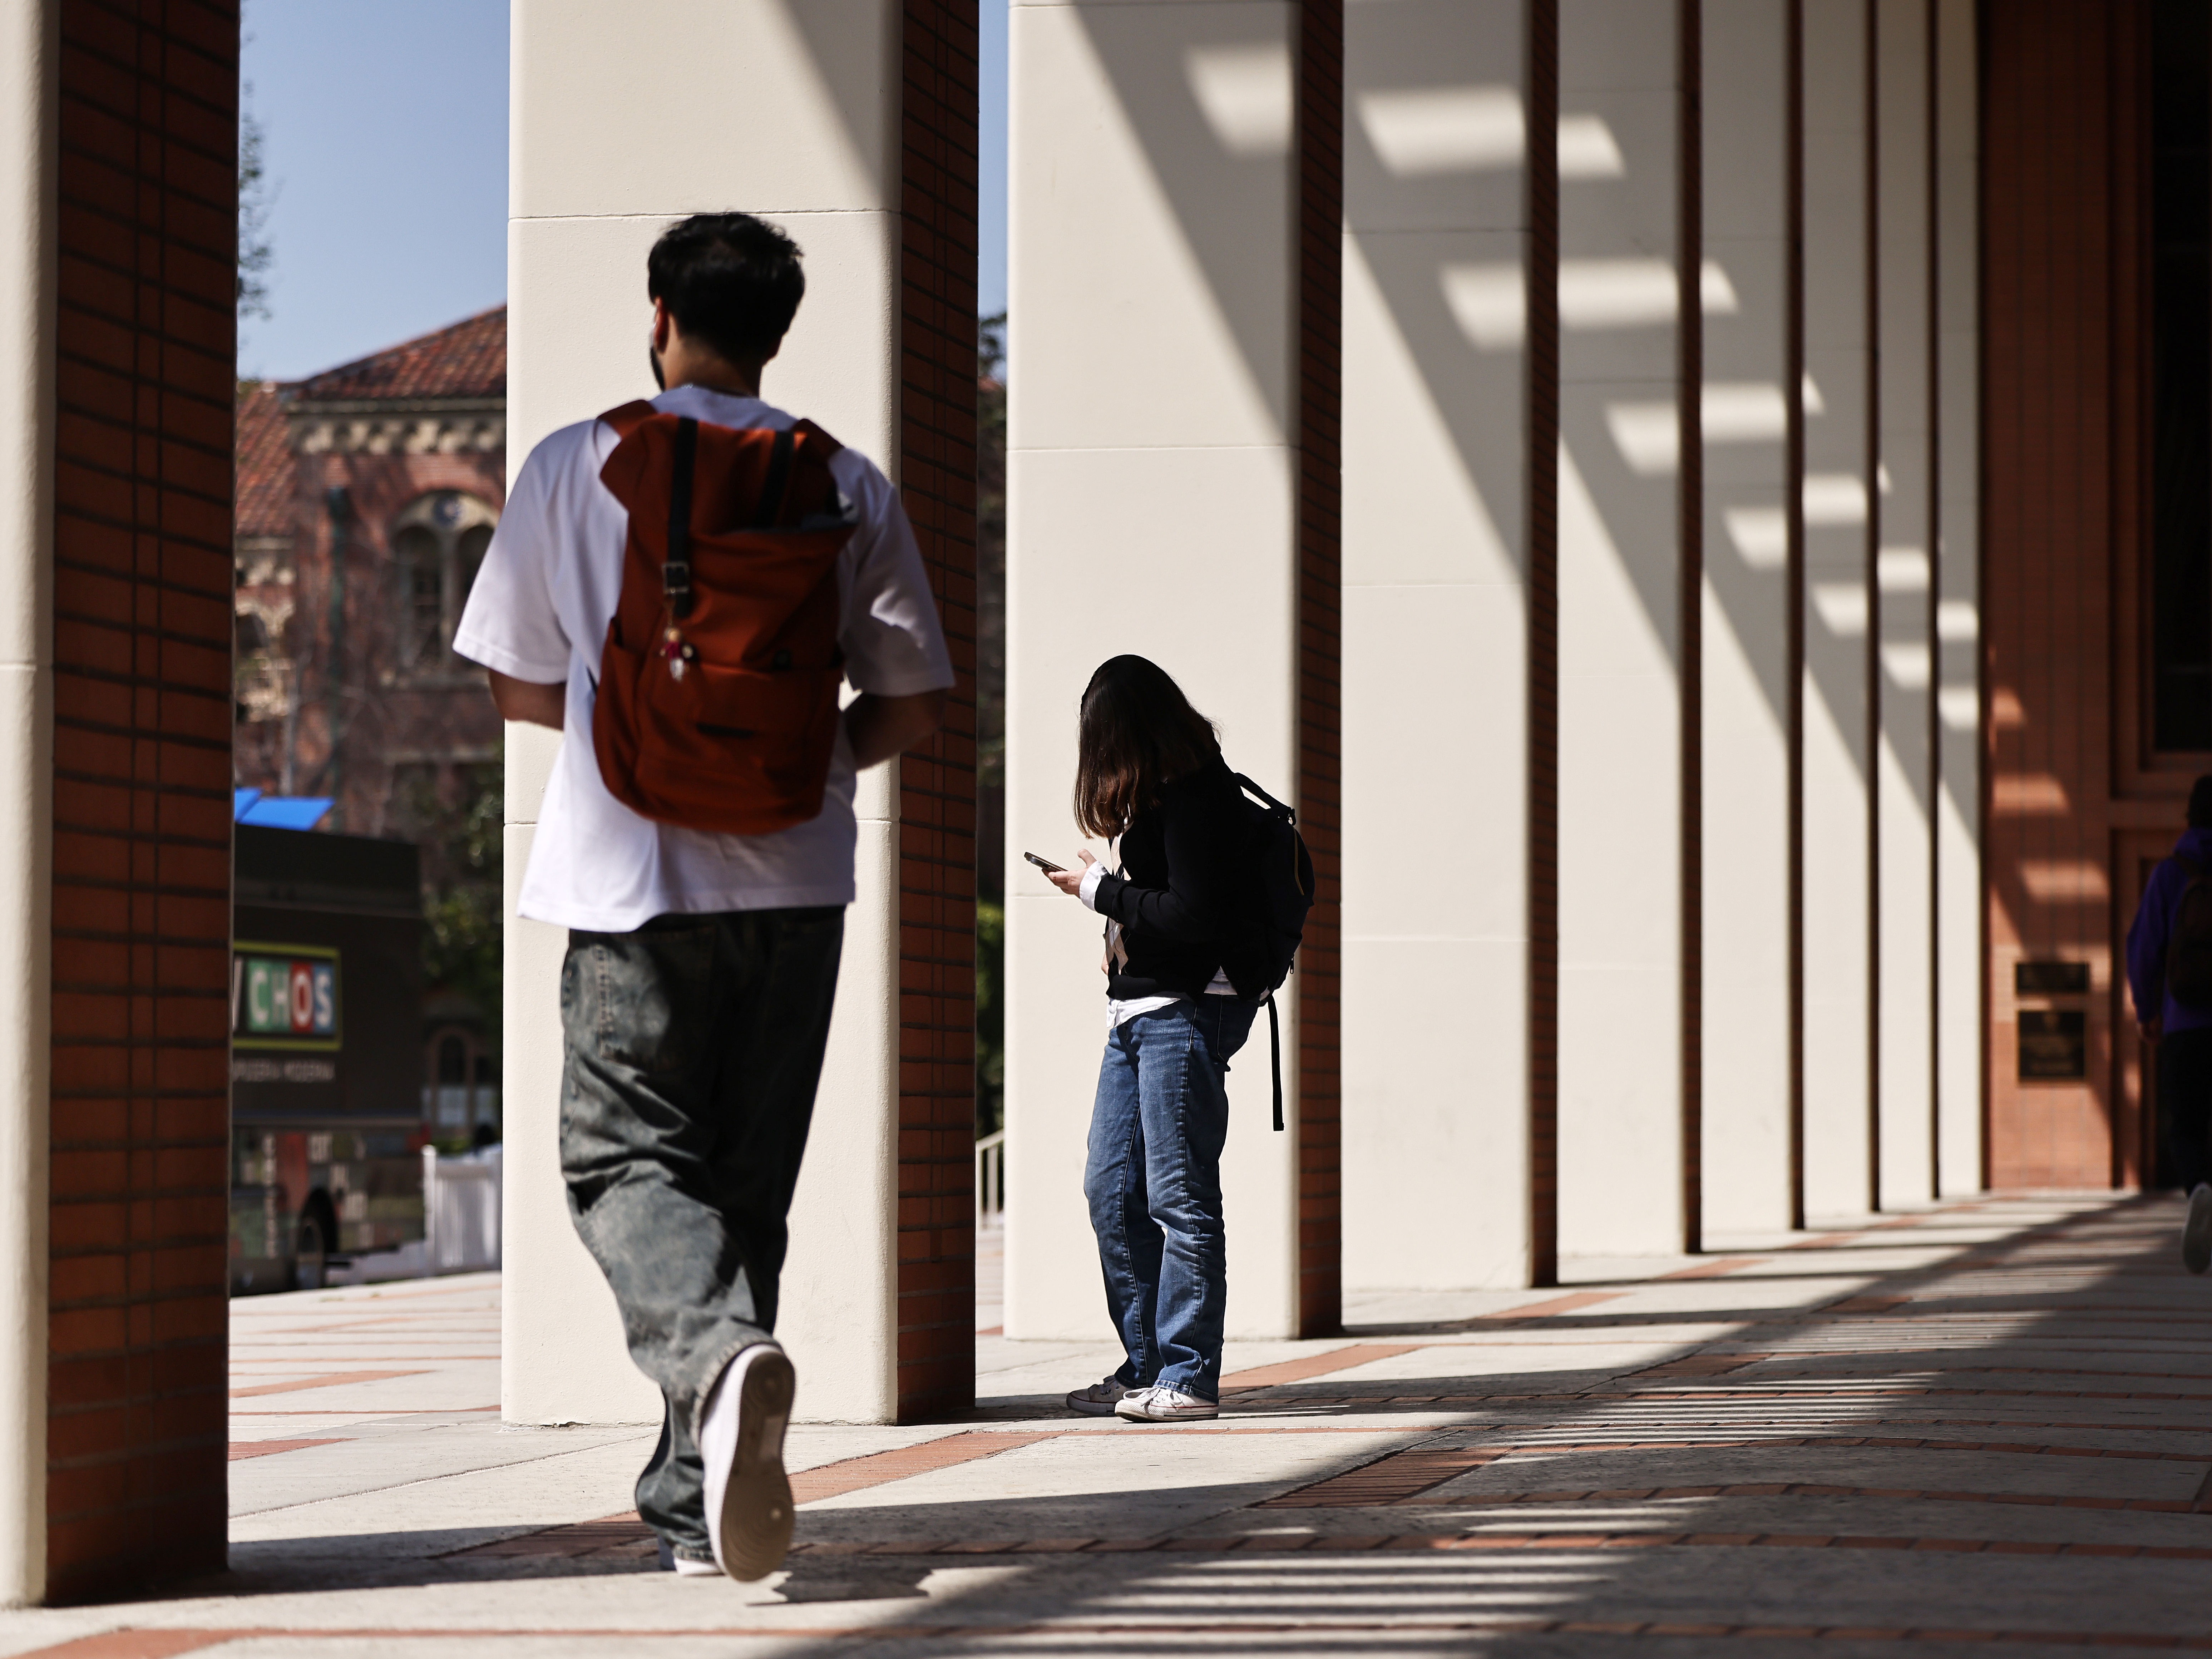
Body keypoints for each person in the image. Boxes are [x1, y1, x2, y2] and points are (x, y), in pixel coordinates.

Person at [452, 213, 953, 1578]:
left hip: (630, 883)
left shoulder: (575, 463)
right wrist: (808, 767)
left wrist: (635, 743)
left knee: (623, 1162)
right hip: (798, 884)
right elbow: (910, 699)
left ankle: (723, 1368)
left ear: (658, 316)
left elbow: (507, 678)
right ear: (777, 334)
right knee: (742, 1194)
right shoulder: (840, 481)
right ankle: (693, 1511)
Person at [1040, 656, 1264, 1423]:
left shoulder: (1200, 797)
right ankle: (1146, 1364)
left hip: (1187, 1009)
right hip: (1135, 1015)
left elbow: (1193, 915)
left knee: (1178, 1195)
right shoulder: (1161, 802)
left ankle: (1190, 1375)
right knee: (1112, 1191)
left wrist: (1101, 891)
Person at [2125, 774, 2212, 1275]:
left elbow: (2145, 945)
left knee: (2186, 1127)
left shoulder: (2169, 874)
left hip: (2183, 1023)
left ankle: (2200, 1186)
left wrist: (2147, 1010)